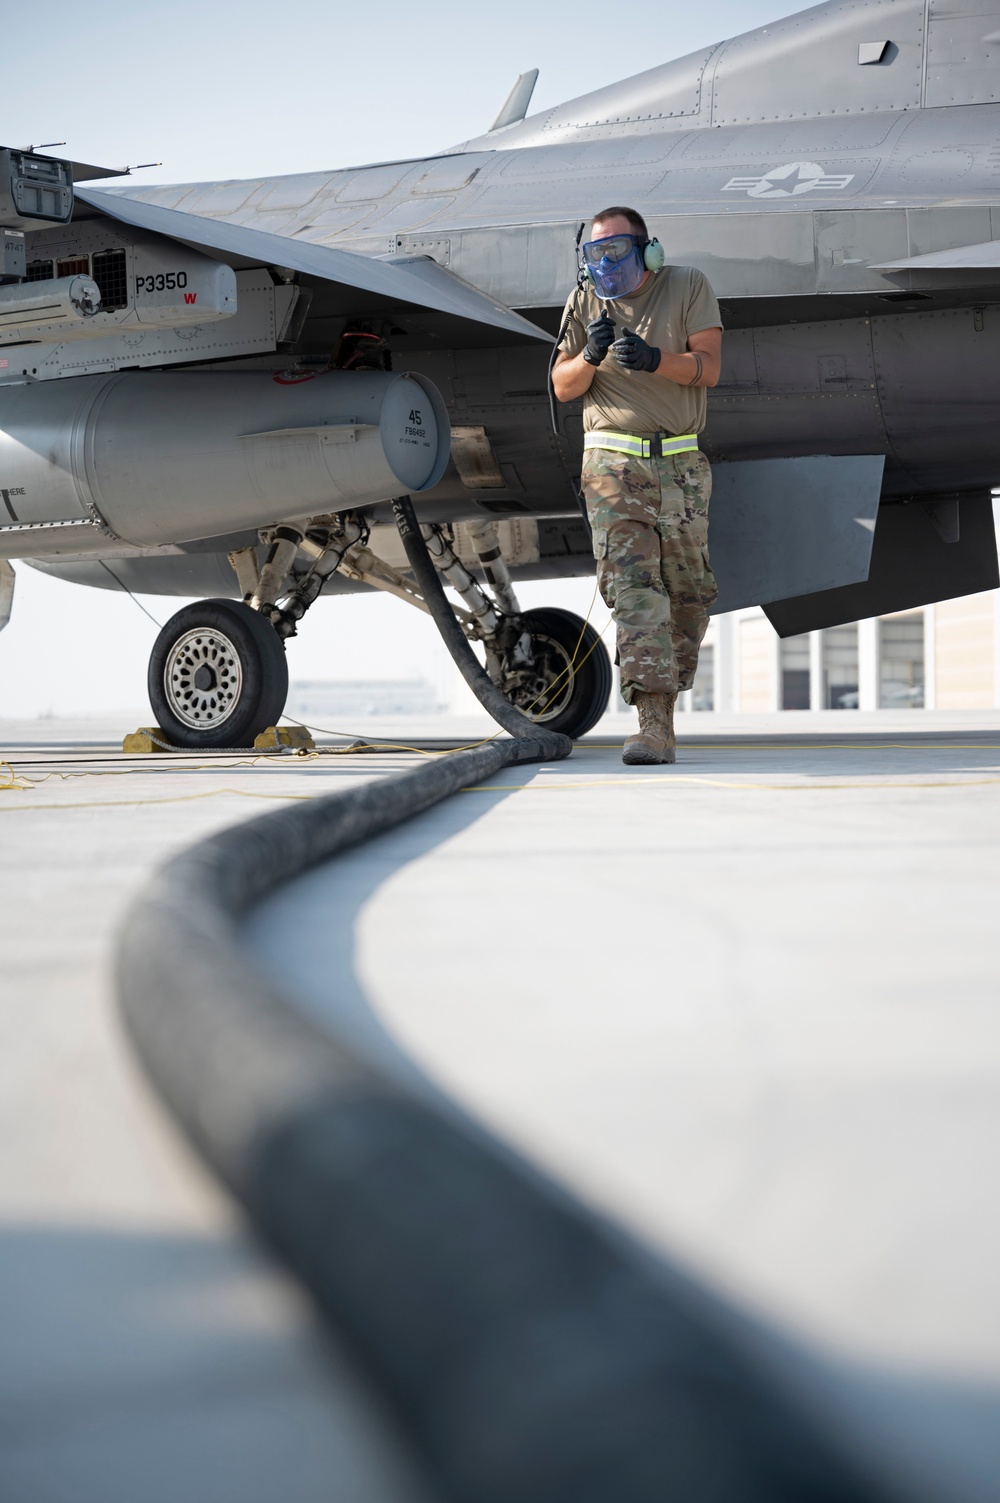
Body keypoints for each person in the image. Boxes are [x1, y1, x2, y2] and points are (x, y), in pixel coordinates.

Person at [552, 207, 723, 764]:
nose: (604, 263)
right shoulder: (582, 304)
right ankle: (652, 722)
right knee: (633, 590)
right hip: (611, 464)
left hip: (679, 465)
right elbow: (562, 386)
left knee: (689, 593)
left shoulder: (688, 286)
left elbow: (709, 368)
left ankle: (665, 704)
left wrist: (654, 360)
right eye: (595, 254)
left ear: (648, 251)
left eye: (616, 251)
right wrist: (589, 355)